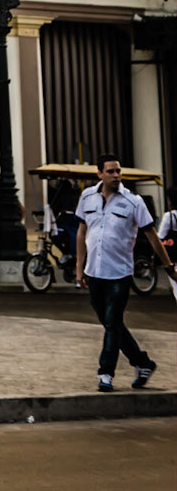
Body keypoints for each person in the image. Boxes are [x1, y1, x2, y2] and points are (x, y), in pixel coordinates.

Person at [77, 156, 174, 392]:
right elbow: (82, 232)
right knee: (112, 323)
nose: (116, 175)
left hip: (119, 273)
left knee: (112, 324)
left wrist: (168, 266)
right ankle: (143, 363)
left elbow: (151, 234)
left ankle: (105, 373)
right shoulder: (87, 197)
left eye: (118, 171)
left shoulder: (133, 201)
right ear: (99, 173)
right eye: (110, 171)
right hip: (94, 272)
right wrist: (79, 267)